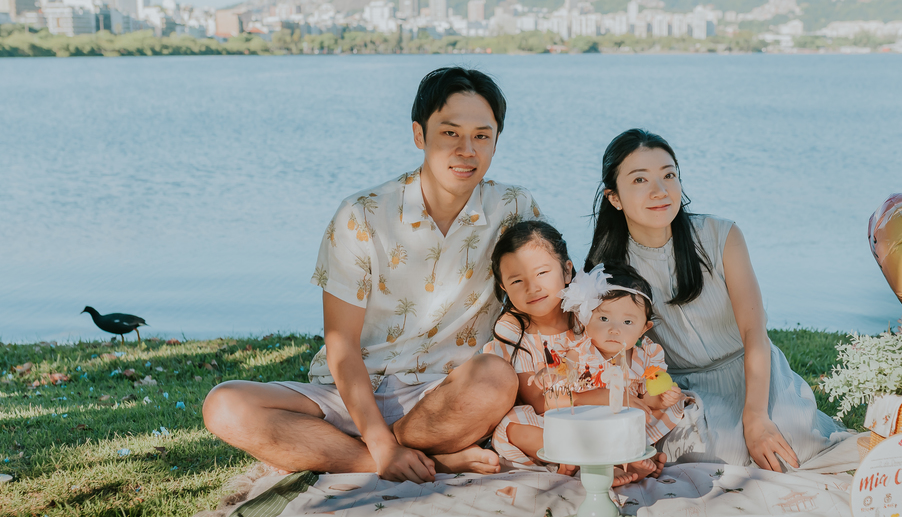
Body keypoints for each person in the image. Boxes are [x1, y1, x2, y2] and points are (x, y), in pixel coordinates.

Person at [203, 67, 540, 484]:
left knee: (496, 378)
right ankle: (414, 459)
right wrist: (381, 445)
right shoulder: (361, 214)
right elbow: (341, 343)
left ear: (496, 140)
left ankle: (362, 450)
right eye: (450, 133)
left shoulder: (513, 207)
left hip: (446, 397)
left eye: (482, 136)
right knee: (224, 405)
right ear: (419, 134)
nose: (466, 150)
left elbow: (545, 297)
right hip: (351, 393)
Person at [585, 128, 851, 471]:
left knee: (790, 444)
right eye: (639, 180)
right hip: (682, 388)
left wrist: (756, 416)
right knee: (716, 454)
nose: (660, 191)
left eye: (669, 175)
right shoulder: (607, 271)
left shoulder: (721, 235)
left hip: (750, 370)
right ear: (614, 198)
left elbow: (755, 332)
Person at [483, 222, 677, 484]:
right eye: (517, 280)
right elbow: (540, 402)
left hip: (606, 411)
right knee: (513, 426)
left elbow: (622, 349)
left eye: (542, 273)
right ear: (504, 287)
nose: (532, 287)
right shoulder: (512, 329)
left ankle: (614, 458)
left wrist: (642, 395)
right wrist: (602, 396)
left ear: (567, 270)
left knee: (650, 407)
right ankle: (600, 461)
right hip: (556, 417)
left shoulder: (587, 309)